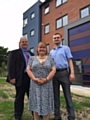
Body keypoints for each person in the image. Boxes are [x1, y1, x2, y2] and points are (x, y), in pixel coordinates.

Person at [26, 41, 56, 120]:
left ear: (46, 49)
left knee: (46, 105)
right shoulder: (32, 58)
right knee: (36, 105)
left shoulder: (50, 58)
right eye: (40, 47)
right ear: (37, 49)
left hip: (47, 84)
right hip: (35, 84)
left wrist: (46, 79)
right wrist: (34, 78)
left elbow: (53, 70)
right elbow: (28, 69)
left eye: (43, 47)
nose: (42, 49)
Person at [7, 36, 34, 120]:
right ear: (19, 44)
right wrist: (12, 77)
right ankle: (18, 116)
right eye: (23, 42)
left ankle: (35, 114)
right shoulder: (14, 53)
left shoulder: (32, 54)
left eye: (26, 42)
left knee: (32, 98)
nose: (24, 43)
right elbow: (10, 66)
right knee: (19, 98)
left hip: (30, 78)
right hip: (20, 78)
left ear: (28, 43)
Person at [50, 33, 75, 120]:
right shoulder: (51, 52)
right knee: (55, 96)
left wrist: (72, 73)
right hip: (54, 74)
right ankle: (57, 116)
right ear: (53, 40)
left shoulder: (66, 48)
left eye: (58, 37)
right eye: (54, 38)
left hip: (64, 73)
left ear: (61, 39)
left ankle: (71, 116)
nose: (56, 39)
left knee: (67, 95)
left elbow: (70, 60)